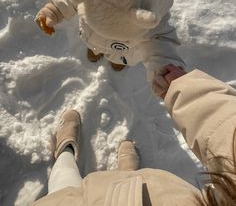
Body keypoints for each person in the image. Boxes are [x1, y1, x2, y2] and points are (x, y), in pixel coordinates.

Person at [32, 65, 236, 206]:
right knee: (136, 184)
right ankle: (127, 174)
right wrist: (188, 92)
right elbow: (227, 132)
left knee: (62, 184)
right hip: (156, 196)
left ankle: (65, 150)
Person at [35, 0, 185, 97]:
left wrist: (165, 71)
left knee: (119, 57)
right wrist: (53, 10)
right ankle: (97, 50)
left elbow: (161, 45)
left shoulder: (152, 15)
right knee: (95, 44)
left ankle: (117, 61)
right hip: (92, 36)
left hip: (125, 50)